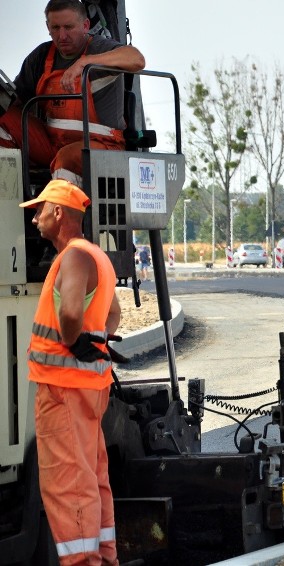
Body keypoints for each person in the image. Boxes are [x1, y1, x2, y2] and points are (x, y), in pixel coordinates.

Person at [19, 179, 122, 565]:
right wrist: (91, 340)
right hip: (87, 388)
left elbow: (70, 312)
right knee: (92, 480)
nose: (35, 220)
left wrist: (74, 336)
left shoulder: (74, 258)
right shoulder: (97, 255)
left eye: (40, 210)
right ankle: (104, 557)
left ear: (59, 212)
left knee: (67, 485)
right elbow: (113, 315)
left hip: (62, 389)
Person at [0, 0, 145, 186]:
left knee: (67, 158)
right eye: (55, 27)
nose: (62, 35)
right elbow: (16, 102)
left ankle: (56, 214)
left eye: (68, 27)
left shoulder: (100, 48)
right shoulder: (41, 57)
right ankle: (11, 200)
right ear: (48, 27)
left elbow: (137, 59)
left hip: (101, 147)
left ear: (85, 25)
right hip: (53, 144)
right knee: (4, 116)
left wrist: (84, 63)